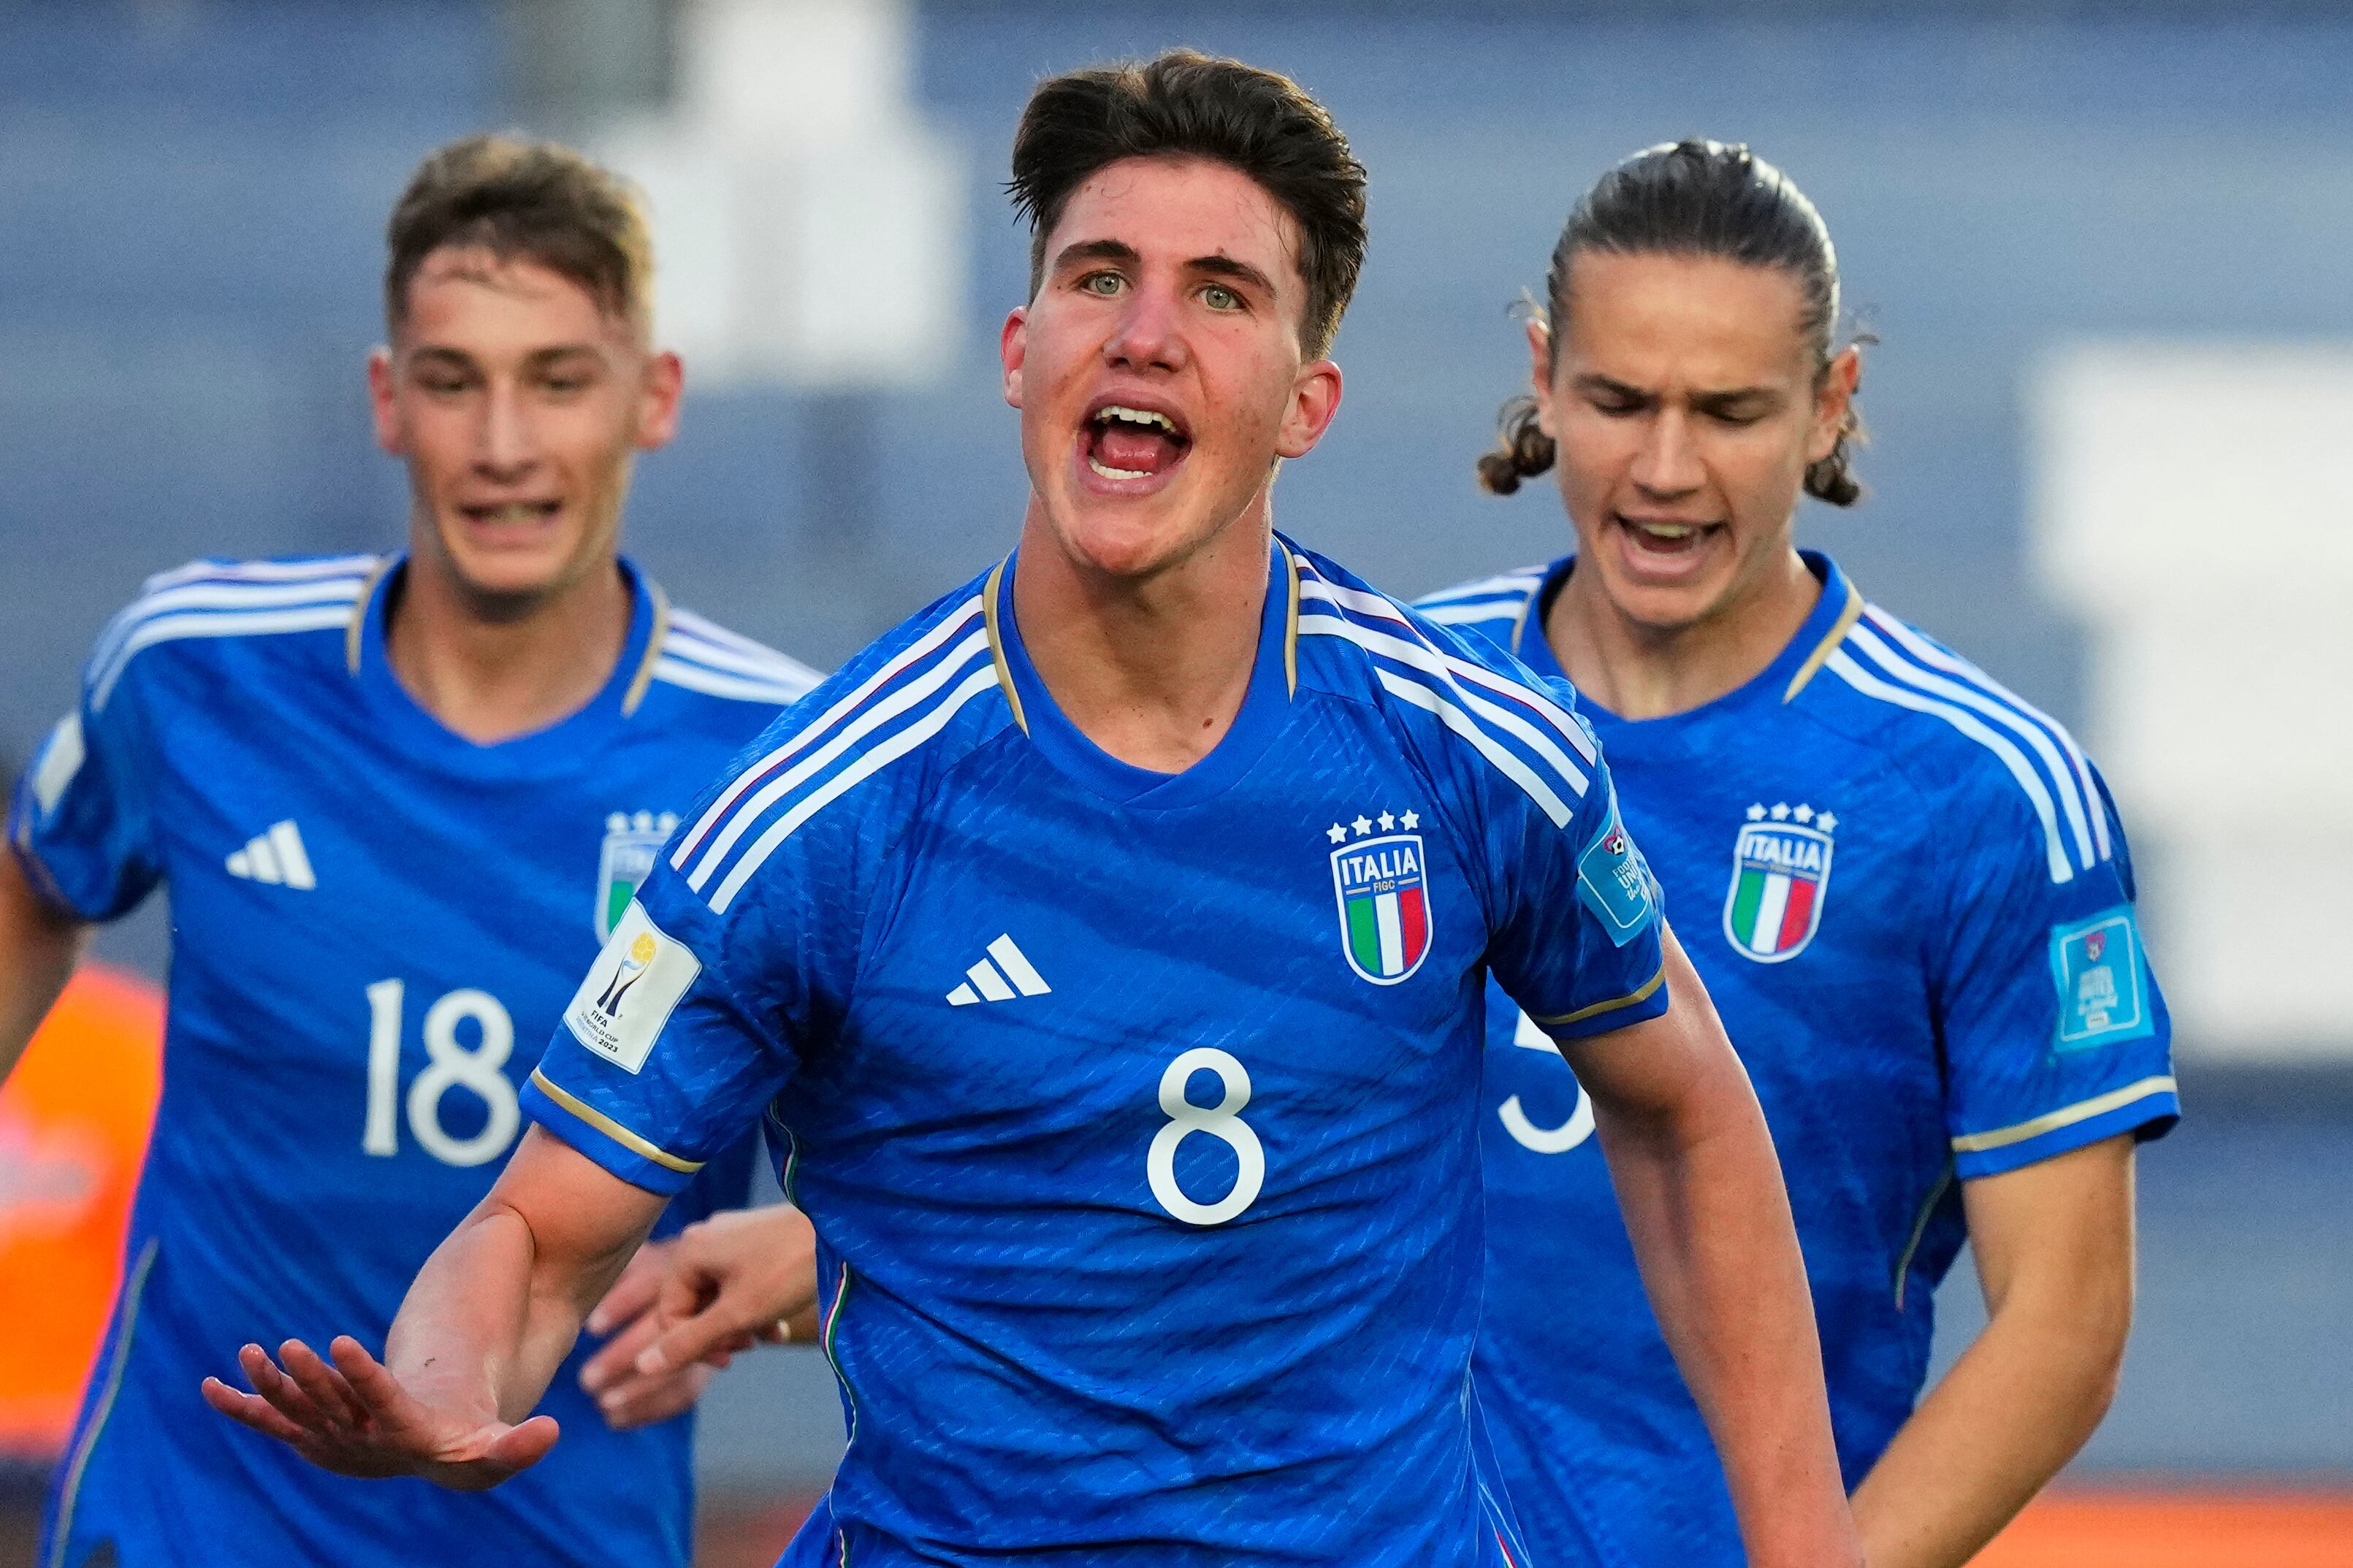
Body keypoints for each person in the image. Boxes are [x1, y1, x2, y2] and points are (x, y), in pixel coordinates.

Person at [213, 56, 1861, 1568]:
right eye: (1098, 279)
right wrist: (435, 1384)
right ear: (1023, 357)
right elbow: (535, 1235)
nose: (1143, 332)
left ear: (1307, 401)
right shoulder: (815, 816)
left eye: (1220, 294)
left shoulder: (1475, 752)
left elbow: (1683, 1108)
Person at [1, 133, 820, 1568]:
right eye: (456, 380)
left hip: (557, 1522)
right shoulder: (195, 667)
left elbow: (934, 1130)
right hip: (190, 1516)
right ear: (389, 402)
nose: (504, 444)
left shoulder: (780, 757)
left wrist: (791, 1262)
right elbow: (34, 887)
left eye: (558, 378)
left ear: (655, 397)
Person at [1413, 139, 2178, 1568]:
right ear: (1543, 373)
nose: (1664, 468)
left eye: (1731, 412)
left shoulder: (1983, 794)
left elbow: (2066, 1322)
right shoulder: (1396, 706)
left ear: (1833, 406)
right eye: (1619, 400)